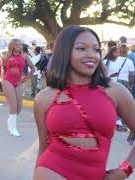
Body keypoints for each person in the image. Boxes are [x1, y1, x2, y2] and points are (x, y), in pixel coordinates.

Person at [34, 25, 135, 180]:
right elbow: (43, 146)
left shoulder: (116, 91)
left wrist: (125, 169)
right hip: (52, 171)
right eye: (81, 48)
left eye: (96, 49)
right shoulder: (44, 98)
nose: (91, 55)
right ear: (64, 53)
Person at [2, 39, 35, 137]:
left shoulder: (25, 56)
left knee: (19, 108)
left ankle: (10, 120)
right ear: (12, 45)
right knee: (13, 106)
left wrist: (25, 79)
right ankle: (13, 129)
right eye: (16, 44)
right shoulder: (6, 56)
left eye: (20, 44)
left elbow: (33, 69)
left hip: (19, 82)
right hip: (8, 81)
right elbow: (4, 68)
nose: (18, 46)